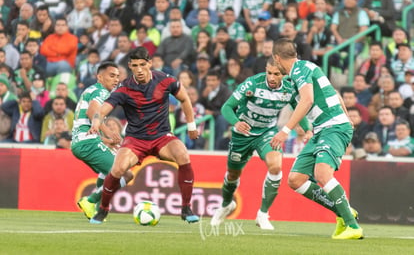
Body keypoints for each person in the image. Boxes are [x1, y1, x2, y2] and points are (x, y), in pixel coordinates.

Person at [88, 47, 200, 224]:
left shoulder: (164, 80)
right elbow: (103, 110)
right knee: (117, 169)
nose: (139, 69)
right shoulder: (125, 88)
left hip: (162, 136)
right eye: (134, 66)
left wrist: (191, 126)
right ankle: (103, 210)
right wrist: (96, 121)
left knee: (183, 155)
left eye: (142, 64)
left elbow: (185, 98)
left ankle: (186, 208)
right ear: (130, 66)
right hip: (136, 140)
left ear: (149, 63)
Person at [270, 38, 363, 239]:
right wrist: (346, 117)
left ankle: (353, 226)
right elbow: (334, 94)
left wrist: (286, 130)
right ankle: (343, 211)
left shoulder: (299, 69)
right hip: (323, 129)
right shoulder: (296, 76)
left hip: (333, 127)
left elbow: (308, 100)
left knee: (322, 173)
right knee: (295, 180)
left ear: (277, 58)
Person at [211, 58, 311, 230]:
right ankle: (226, 204)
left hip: (267, 133)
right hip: (242, 134)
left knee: (275, 167)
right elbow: (226, 107)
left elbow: (299, 109)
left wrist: (308, 129)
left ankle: (263, 214)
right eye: (269, 73)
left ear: (284, 74)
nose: (272, 77)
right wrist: (236, 122)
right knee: (233, 174)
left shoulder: (289, 89)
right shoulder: (252, 84)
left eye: (276, 74)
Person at [72, 61, 133, 220]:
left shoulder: (91, 90)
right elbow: (92, 112)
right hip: (88, 142)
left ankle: (99, 212)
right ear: (99, 77)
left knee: (107, 173)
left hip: (81, 142)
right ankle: (90, 201)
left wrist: (104, 140)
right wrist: (109, 133)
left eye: (118, 77)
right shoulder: (101, 92)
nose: (116, 80)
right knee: (125, 174)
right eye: (111, 75)